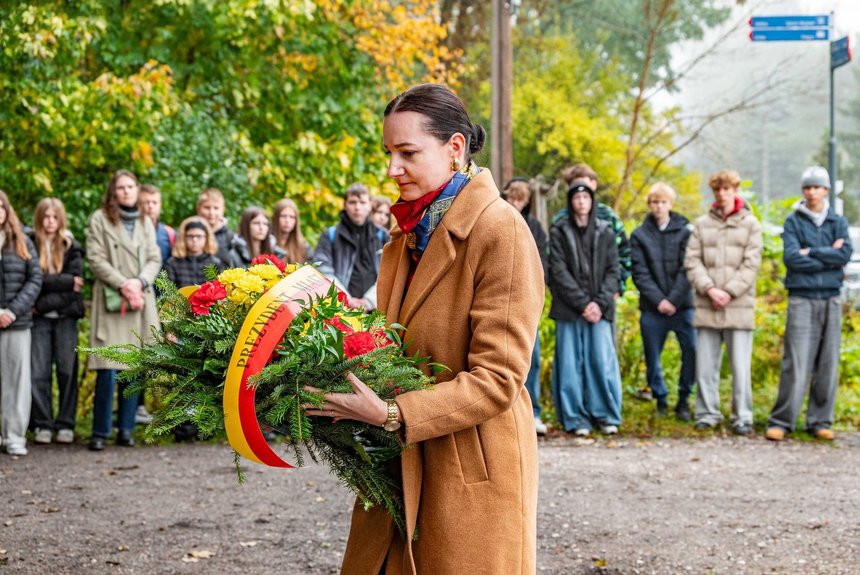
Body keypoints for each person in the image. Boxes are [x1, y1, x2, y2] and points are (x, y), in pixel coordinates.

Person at [303, 84, 544, 574]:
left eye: (408, 153)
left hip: (471, 466)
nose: (393, 169)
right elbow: (390, 344)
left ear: (455, 148)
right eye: (389, 153)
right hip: (397, 461)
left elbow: (499, 379)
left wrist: (393, 413)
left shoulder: (501, 230)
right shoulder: (405, 232)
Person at [766, 167, 852, 442]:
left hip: (831, 298)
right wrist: (828, 257)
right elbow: (792, 258)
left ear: (826, 190)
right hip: (801, 298)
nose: (812, 192)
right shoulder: (793, 222)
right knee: (796, 361)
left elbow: (844, 255)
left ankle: (820, 421)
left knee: (828, 362)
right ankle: (782, 421)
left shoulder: (837, 221)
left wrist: (812, 252)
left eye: (817, 187)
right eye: (808, 187)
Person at [86, 170, 162, 451]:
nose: (127, 191)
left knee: (133, 367)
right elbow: (95, 257)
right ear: (113, 192)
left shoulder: (145, 220)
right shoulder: (100, 218)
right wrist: (123, 284)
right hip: (112, 297)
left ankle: (126, 429)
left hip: (139, 297)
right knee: (107, 368)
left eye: (131, 186)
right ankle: (100, 431)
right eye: (121, 187)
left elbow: (154, 256)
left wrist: (139, 282)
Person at [685, 169, 762, 435]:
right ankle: (707, 413)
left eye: (726, 189)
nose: (722, 194)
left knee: (740, 367)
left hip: (738, 306)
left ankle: (742, 416)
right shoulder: (702, 224)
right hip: (707, 304)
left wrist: (728, 291)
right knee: (705, 366)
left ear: (735, 191)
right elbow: (692, 261)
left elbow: (751, 264)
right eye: (717, 190)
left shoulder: (751, 224)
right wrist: (709, 288)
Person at [548, 179, 623, 437]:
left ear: (592, 202)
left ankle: (606, 415)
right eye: (577, 198)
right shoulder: (559, 231)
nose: (581, 202)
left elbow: (613, 271)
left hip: (600, 311)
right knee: (570, 365)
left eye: (586, 198)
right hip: (570, 310)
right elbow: (557, 271)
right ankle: (575, 418)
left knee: (601, 362)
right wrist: (583, 303)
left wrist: (599, 303)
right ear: (571, 202)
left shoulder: (606, 231)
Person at [630, 182, 696, 420]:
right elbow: (640, 273)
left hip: (683, 306)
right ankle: (660, 397)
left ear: (671, 204)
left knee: (692, 350)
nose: (659, 206)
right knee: (652, 355)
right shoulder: (639, 235)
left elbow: (688, 268)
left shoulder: (686, 231)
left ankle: (684, 398)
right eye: (655, 202)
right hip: (652, 307)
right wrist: (659, 301)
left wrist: (673, 300)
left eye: (663, 202)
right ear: (649, 204)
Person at [28, 198, 85, 445]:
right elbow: (32, 282)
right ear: (39, 218)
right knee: (38, 372)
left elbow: (76, 287)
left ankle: (65, 423)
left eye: (54, 217)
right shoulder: (29, 244)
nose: (50, 222)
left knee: (66, 371)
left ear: (61, 219)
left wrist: (41, 302)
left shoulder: (72, 246)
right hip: (39, 322)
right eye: (46, 217)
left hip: (65, 318)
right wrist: (63, 282)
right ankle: (43, 424)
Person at [504, 177, 548, 435]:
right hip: (501, 298)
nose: (516, 203)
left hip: (527, 301)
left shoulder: (535, 227)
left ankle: (535, 412)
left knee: (532, 357)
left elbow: (541, 264)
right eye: (512, 197)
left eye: (520, 199)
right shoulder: (496, 220)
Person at [0, 190, 43, 456]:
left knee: (17, 381)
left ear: (6, 210)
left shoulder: (22, 241)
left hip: (17, 323)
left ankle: (14, 435)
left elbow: (35, 279)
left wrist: (12, 311)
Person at [314, 184, 390, 311]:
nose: (357, 207)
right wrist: (345, 299)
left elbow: (390, 273)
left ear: (370, 205)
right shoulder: (330, 235)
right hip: (340, 309)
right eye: (352, 202)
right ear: (344, 204)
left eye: (362, 202)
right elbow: (322, 270)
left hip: (375, 310)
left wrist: (368, 302)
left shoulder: (383, 236)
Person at [165, 216, 224, 287]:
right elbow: (168, 290)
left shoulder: (215, 263)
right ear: (183, 237)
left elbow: (220, 288)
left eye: (199, 236)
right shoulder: (173, 263)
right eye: (190, 236)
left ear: (207, 237)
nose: (194, 240)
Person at [196, 188, 235, 266]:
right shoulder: (190, 234)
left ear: (223, 210)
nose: (211, 212)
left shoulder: (230, 237)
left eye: (216, 208)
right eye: (207, 207)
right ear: (198, 209)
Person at [272, 198, 311, 264]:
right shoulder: (267, 242)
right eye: (283, 216)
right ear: (276, 218)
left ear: (296, 220)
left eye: (291, 217)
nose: (287, 220)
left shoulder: (304, 247)